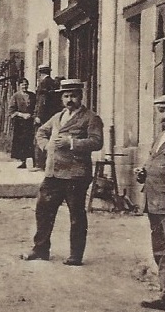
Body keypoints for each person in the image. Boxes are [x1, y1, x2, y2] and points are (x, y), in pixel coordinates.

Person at [22, 79, 104, 266]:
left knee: (76, 215)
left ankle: (76, 255)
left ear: (81, 97)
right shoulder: (58, 117)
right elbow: (41, 132)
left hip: (76, 174)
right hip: (53, 173)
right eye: (66, 96)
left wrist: (72, 143)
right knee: (43, 210)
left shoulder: (91, 118)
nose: (70, 99)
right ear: (61, 98)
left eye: (73, 95)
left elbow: (97, 142)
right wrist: (45, 146)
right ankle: (40, 249)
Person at [136, 96, 165, 310]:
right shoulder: (162, 136)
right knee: (159, 248)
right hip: (155, 200)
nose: (162, 116)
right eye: (159, 111)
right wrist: (143, 173)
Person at [33, 66, 60, 172]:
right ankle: (49, 163)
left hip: (44, 116)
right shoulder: (54, 83)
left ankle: (40, 163)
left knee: (40, 136)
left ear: (40, 74)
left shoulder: (43, 84)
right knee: (51, 137)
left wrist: (38, 115)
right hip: (53, 115)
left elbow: (41, 101)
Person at [9, 78, 37, 169]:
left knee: (31, 140)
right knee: (21, 141)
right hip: (20, 123)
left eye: (26, 84)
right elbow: (11, 110)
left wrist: (32, 115)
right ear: (19, 85)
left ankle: (33, 160)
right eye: (22, 85)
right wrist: (22, 115)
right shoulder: (16, 96)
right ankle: (23, 160)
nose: (24, 86)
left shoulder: (32, 95)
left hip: (30, 121)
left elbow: (36, 107)